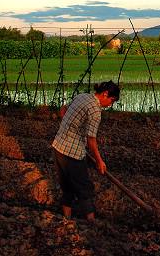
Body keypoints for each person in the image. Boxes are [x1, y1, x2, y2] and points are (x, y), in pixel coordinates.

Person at [52, 81, 120, 222]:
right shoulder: (95, 111)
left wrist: (69, 126)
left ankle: (66, 219)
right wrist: (99, 161)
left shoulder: (81, 96)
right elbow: (91, 140)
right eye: (111, 101)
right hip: (72, 153)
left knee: (67, 187)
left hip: (58, 147)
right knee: (84, 189)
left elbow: (63, 110)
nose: (110, 104)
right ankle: (92, 222)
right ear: (105, 94)